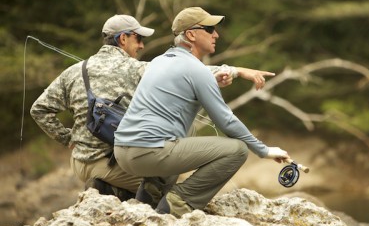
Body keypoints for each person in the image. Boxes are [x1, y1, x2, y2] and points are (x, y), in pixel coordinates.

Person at [30, 14, 277, 204]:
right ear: (123, 38)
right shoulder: (134, 69)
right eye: (138, 38)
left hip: (79, 162)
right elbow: (186, 72)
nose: (141, 45)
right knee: (167, 175)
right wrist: (236, 71)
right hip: (112, 165)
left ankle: (112, 193)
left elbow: (38, 110)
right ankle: (119, 195)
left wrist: (67, 139)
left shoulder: (74, 71)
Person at [114, 7, 290, 218]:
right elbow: (226, 121)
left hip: (122, 151)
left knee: (177, 143)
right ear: (191, 34)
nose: (216, 34)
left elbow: (190, 78)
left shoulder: (159, 61)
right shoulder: (196, 70)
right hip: (147, 153)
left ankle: (147, 205)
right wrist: (263, 150)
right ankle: (177, 206)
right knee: (237, 149)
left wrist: (228, 74)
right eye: (209, 29)